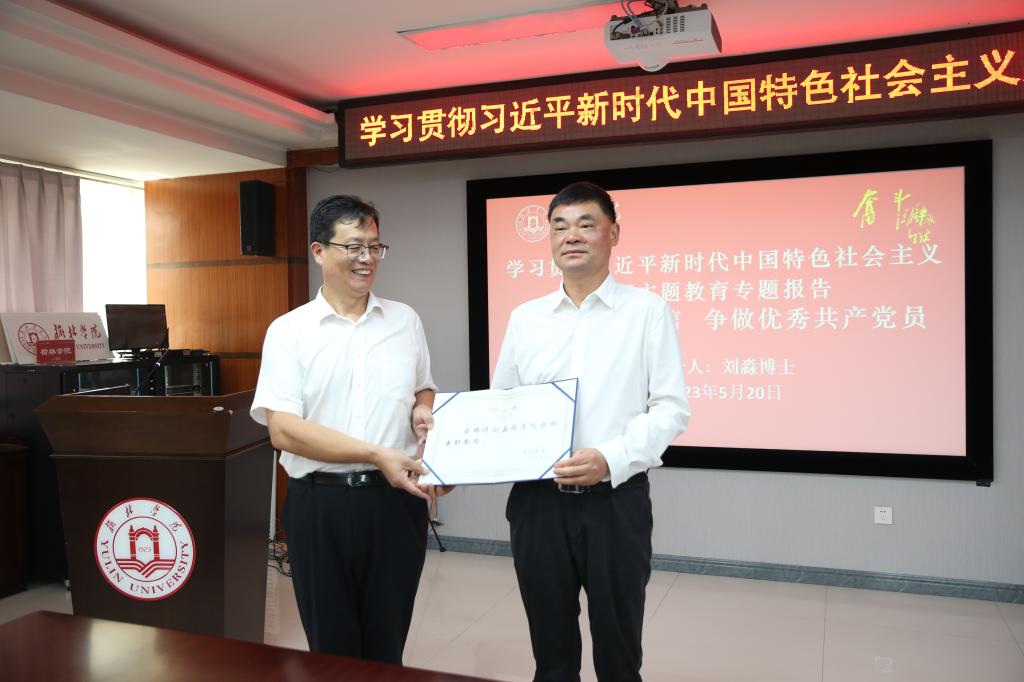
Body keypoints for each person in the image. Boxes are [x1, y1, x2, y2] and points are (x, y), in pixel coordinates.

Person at [492, 181, 691, 682]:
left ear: (613, 234)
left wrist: (610, 457)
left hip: (615, 503)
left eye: (586, 224)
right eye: (559, 226)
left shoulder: (646, 311)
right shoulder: (526, 318)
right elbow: (503, 407)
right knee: (551, 654)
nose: (572, 236)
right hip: (537, 504)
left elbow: (670, 408)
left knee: (618, 654)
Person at [250, 195, 437, 664]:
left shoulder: (405, 321)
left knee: (387, 645)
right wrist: (375, 453)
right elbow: (283, 431)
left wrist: (422, 407)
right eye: (353, 246)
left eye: (375, 247)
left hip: (395, 505)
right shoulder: (289, 331)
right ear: (319, 251)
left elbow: (424, 388)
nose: (367, 258)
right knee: (332, 653)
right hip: (320, 506)